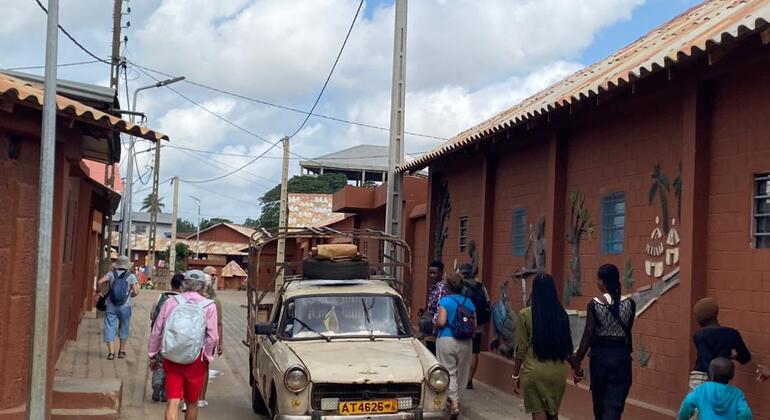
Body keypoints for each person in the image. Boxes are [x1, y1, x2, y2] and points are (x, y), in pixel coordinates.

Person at [148, 270, 219, 420]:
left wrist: (153, 355)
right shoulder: (209, 306)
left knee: (172, 401)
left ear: (183, 284)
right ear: (203, 286)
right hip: (196, 360)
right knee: (192, 402)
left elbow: (157, 331)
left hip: (172, 356)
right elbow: (212, 337)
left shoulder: (171, 302)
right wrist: (207, 356)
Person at [572, 264, 636, 420]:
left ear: (603, 282)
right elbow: (627, 330)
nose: (597, 282)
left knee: (599, 407)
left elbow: (588, 335)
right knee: (615, 406)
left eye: (598, 279)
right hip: (622, 358)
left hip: (600, 359)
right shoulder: (630, 304)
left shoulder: (595, 304)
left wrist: (577, 360)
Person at [512, 272, 574, 420]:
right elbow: (568, 348)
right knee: (553, 412)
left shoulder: (525, 315)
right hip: (558, 373)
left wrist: (515, 375)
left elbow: (521, 348)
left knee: (538, 411)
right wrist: (577, 369)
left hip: (535, 373)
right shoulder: (561, 315)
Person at [435, 273, 475, 419]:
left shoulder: (445, 301)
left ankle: (454, 403)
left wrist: (434, 325)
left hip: (447, 339)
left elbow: (441, 322)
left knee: (448, 371)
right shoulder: (469, 302)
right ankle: (457, 399)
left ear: (448, 286)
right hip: (466, 341)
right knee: (463, 372)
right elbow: (474, 325)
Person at [689, 297, 751, 390]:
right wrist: (733, 357)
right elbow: (746, 358)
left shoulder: (700, 335)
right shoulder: (732, 333)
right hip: (722, 380)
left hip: (702, 377)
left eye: (696, 315)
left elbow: (707, 361)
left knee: (695, 400)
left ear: (701, 317)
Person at [677, 358, 752, 420]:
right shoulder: (736, 393)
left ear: (711, 374)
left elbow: (687, 404)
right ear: (732, 376)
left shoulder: (702, 389)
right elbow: (745, 413)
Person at [96, 255, 140, 360]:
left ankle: (111, 353)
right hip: (125, 306)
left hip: (111, 305)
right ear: (127, 265)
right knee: (124, 326)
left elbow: (99, 282)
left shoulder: (111, 274)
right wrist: (130, 296)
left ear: (117, 265)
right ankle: (121, 351)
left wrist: (99, 292)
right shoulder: (131, 276)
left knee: (109, 326)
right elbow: (136, 291)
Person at [150, 274, 184, 403]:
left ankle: (157, 381)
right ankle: (165, 392)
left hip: (160, 335)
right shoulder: (183, 301)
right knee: (171, 364)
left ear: (171, 284)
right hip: (176, 338)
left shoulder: (161, 296)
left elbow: (152, 315)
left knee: (159, 362)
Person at [458, 263, 490, 390]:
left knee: (461, 349)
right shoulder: (481, 286)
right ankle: (469, 380)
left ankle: (461, 377)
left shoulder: (459, 286)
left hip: (462, 323)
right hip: (478, 324)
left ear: (461, 272)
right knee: (474, 351)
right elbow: (487, 302)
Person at [198, 266, 225, 409]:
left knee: (203, 367)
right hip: (203, 338)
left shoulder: (215, 299)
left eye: (215, 275)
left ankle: (199, 398)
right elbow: (218, 323)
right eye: (212, 275)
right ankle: (197, 398)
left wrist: (220, 342)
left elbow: (219, 323)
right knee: (202, 368)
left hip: (203, 338)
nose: (214, 277)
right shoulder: (212, 301)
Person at [423, 261, 446, 355]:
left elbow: (439, 308)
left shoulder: (441, 288)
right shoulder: (434, 286)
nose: (432, 275)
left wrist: (434, 328)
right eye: (430, 273)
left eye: (434, 273)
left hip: (435, 329)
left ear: (441, 273)